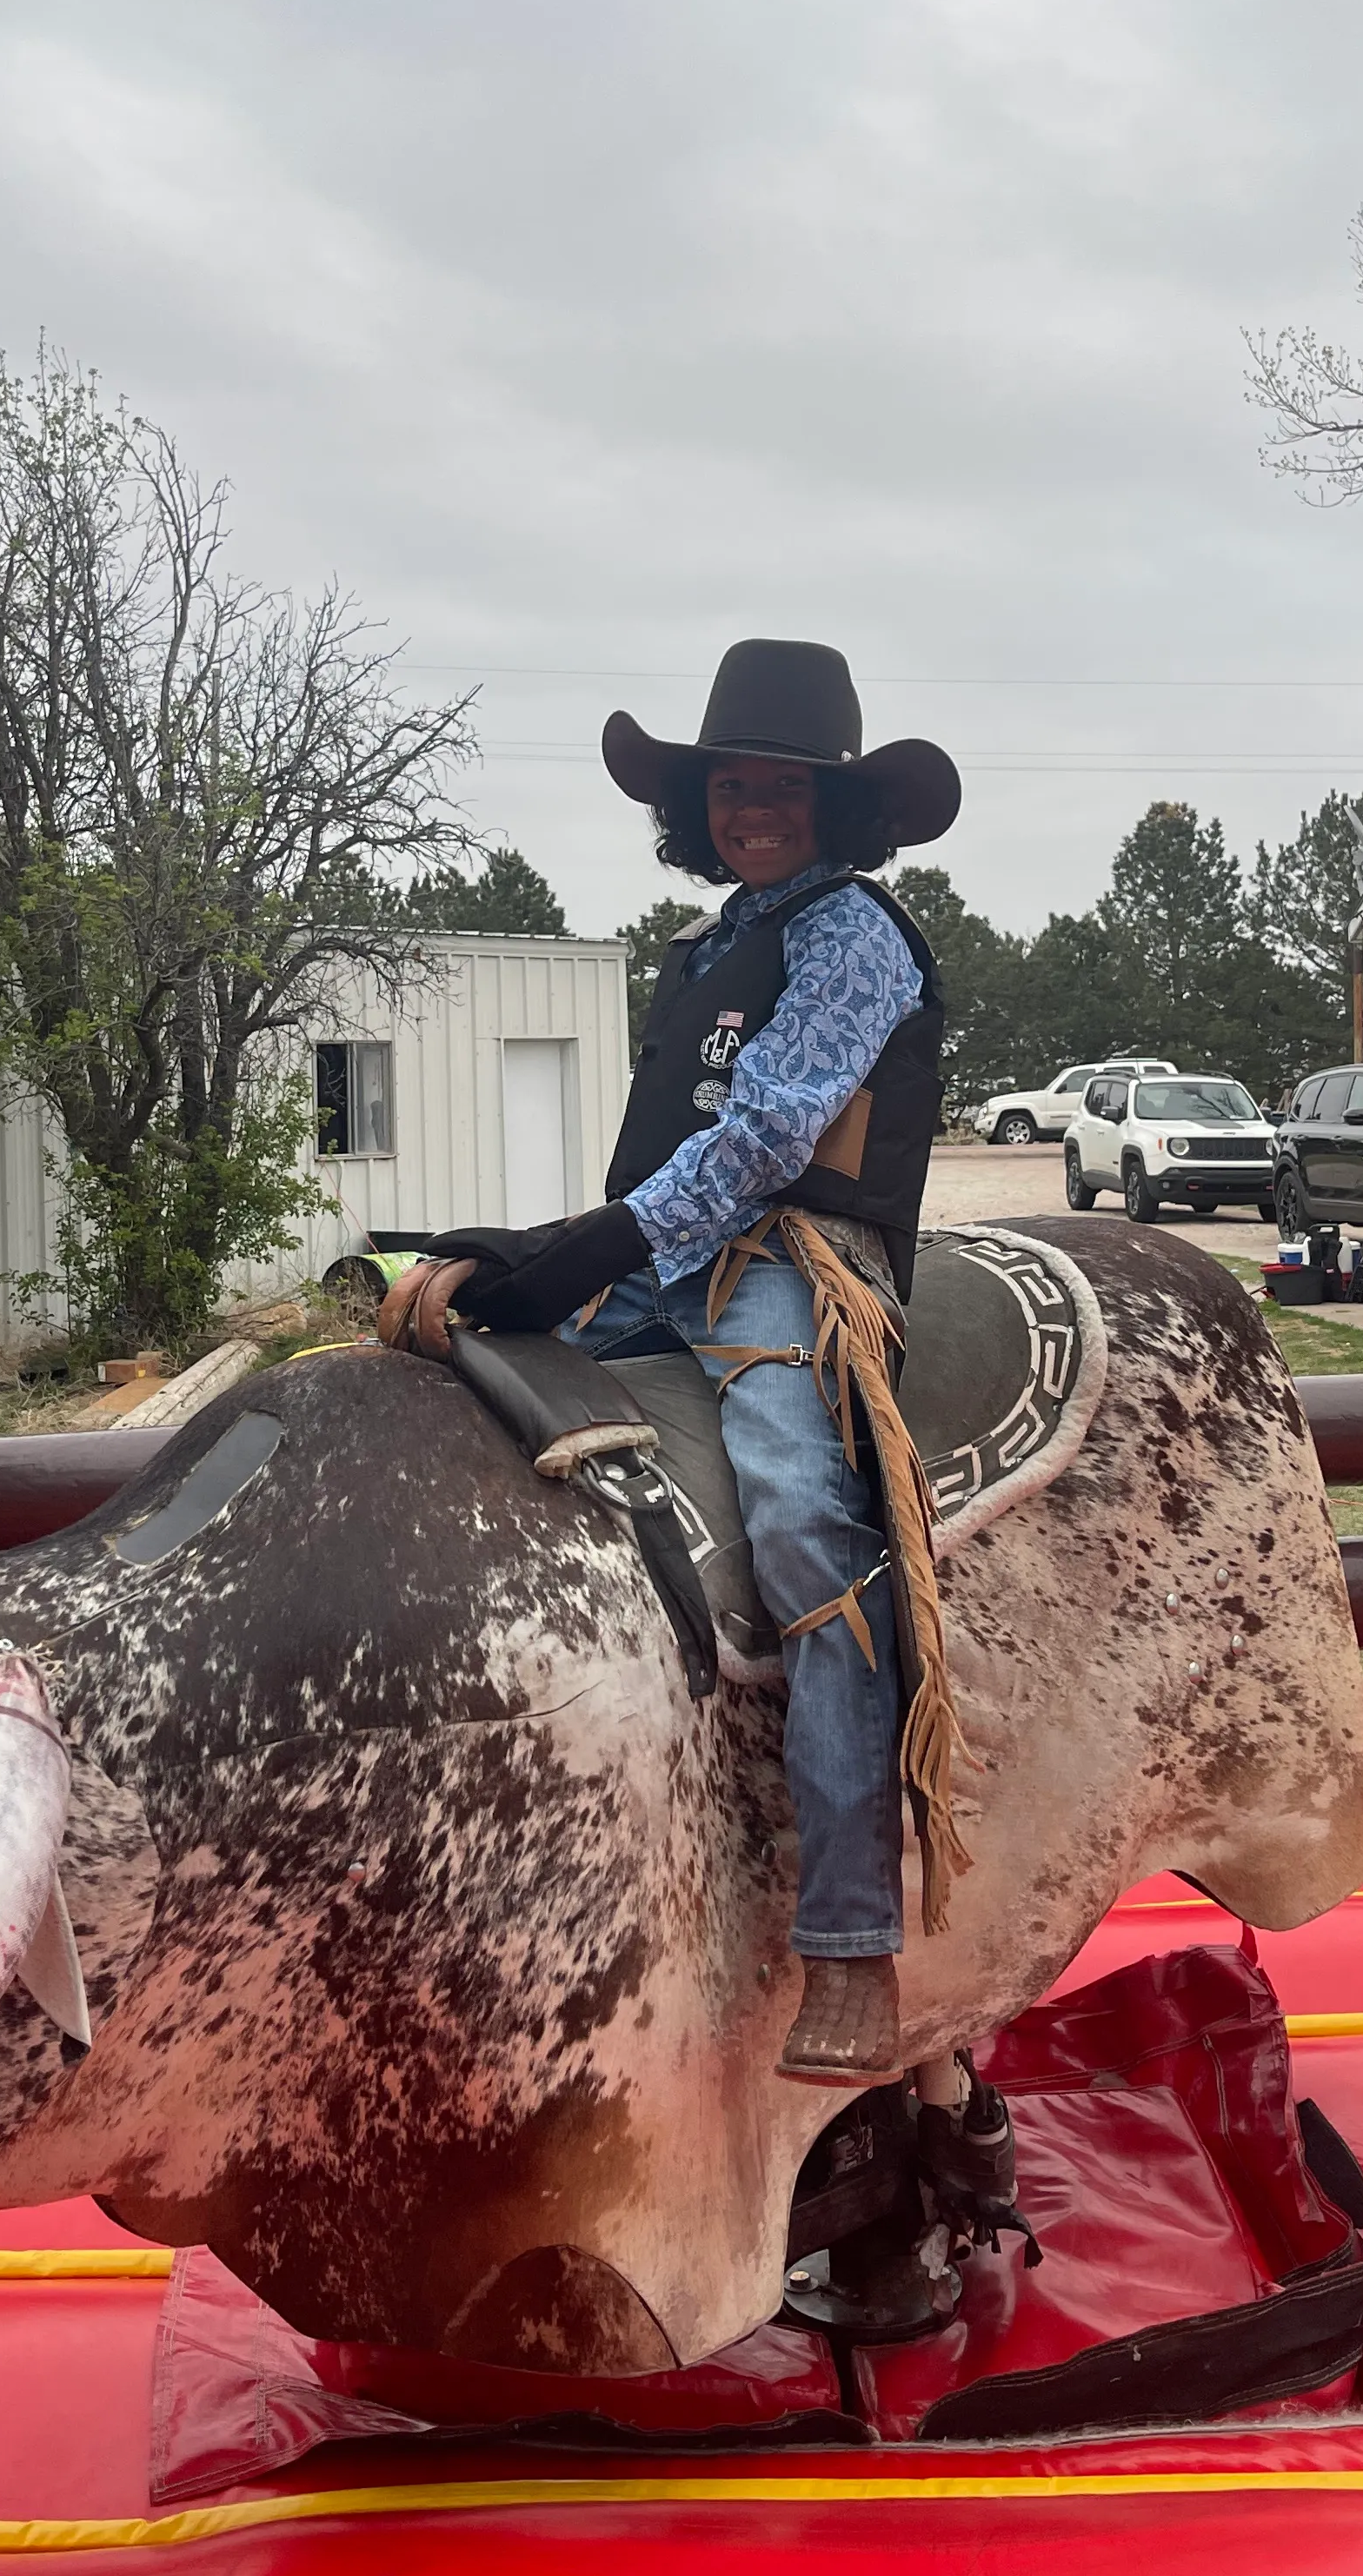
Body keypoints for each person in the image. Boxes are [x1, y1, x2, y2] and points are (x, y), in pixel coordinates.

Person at [380, 644, 1012, 2197]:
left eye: (778, 789)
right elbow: (668, 1151)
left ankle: (852, 1929)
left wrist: (589, 1246)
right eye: (729, 787)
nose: (751, 811)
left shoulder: (856, 937)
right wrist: (565, 1259)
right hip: (668, 1254)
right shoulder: (710, 941)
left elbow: (775, 1132)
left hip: (793, 1263)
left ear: (831, 807)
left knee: (809, 1530)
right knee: (446, 1380)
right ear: (700, 806)